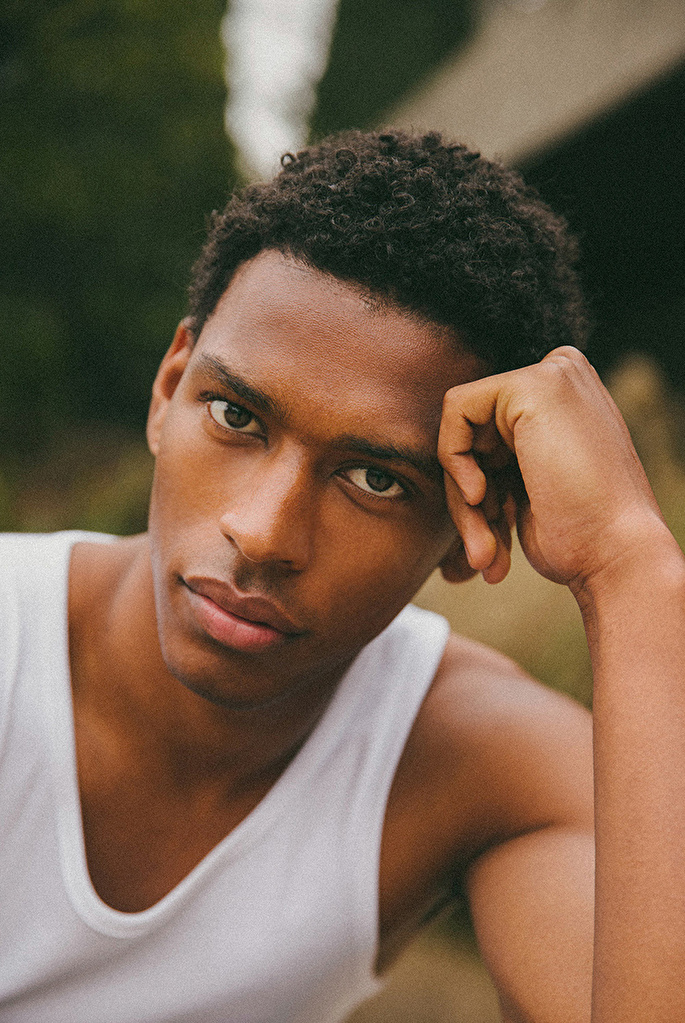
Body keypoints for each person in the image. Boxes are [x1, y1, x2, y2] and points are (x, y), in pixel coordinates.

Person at [1, 129, 684, 1023]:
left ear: (472, 521)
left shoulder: (480, 764)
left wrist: (631, 567)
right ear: (169, 389)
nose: (262, 533)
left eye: (375, 478)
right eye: (235, 415)